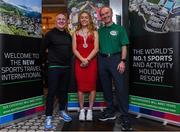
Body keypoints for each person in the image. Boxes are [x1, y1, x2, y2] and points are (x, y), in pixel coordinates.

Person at [98, 6, 132, 131]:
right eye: (102, 14)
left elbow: (124, 46)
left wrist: (122, 61)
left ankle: (125, 116)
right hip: (102, 60)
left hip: (116, 59)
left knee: (120, 88)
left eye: (107, 13)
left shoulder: (119, 29)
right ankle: (110, 111)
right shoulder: (99, 31)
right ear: (100, 17)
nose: (105, 15)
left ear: (111, 13)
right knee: (106, 87)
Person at [44, 13, 72, 129]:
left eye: (63, 19)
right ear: (56, 21)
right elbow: (42, 49)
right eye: (59, 19)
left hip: (66, 68)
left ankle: (62, 111)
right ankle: (49, 116)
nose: (61, 21)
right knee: (51, 92)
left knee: (63, 91)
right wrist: (47, 62)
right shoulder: (49, 34)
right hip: (54, 67)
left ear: (66, 21)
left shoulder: (68, 35)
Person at [72, 11, 99, 121]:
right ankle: (82, 110)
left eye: (86, 17)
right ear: (79, 19)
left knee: (92, 87)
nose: (84, 19)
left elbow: (96, 49)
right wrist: (82, 59)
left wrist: (87, 59)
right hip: (79, 62)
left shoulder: (95, 32)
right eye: (82, 17)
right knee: (80, 87)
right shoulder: (75, 33)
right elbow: (74, 49)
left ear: (89, 19)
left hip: (91, 62)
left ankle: (90, 110)